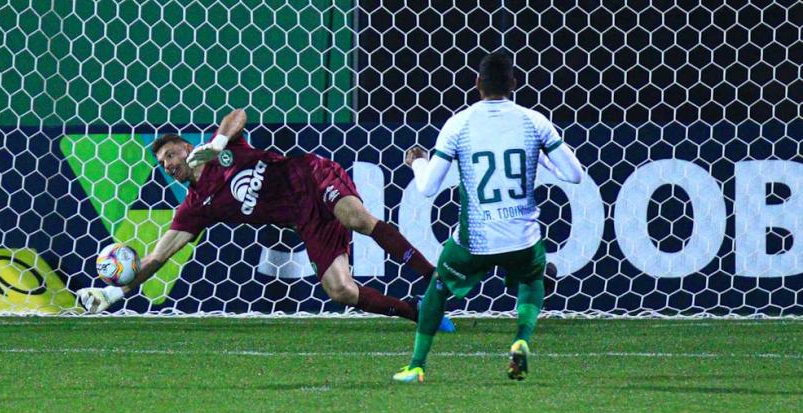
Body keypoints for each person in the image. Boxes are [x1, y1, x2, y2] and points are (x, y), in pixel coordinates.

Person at [77, 108, 454, 331]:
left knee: (356, 217)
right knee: (340, 290)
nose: (169, 165)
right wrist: (115, 291)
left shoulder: (220, 151)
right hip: (303, 219)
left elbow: (237, 115)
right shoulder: (195, 207)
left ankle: (433, 278)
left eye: (172, 155)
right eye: (163, 164)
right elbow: (157, 258)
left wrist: (219, 144)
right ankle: (419, 315)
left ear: (186, 148)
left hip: (311, 175)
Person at [393, 51, 583, 383]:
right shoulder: (534, 121)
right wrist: (540, 158)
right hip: (521, 237)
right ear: (513, 83)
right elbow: (574, 174)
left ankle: (416, 365)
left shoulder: (459, 124)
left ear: (477, 84)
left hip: (475, 239)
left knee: (438, 286)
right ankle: (521, 338)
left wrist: (417, 162)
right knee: (532, 278)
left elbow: (426, 187)